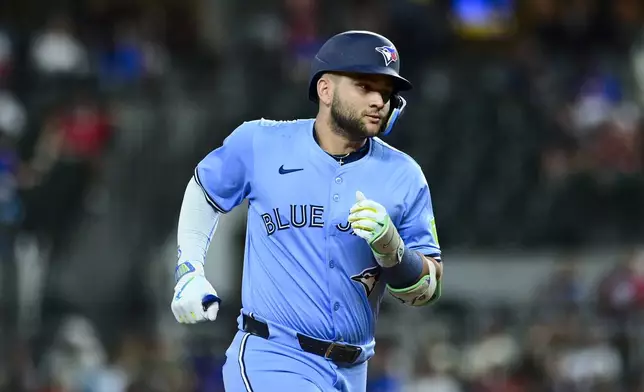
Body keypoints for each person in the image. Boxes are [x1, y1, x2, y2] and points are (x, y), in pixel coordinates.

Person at [170, 30, 443, 391]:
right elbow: (204, 191)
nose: (379, 99)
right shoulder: (261, 142)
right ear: (325, 90)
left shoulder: (404, 175)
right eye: (365, 86)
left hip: (353, 370)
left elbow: (427, 289)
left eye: (387, 92)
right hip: (273, 356)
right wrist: (189, 268)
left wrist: (394, 251)